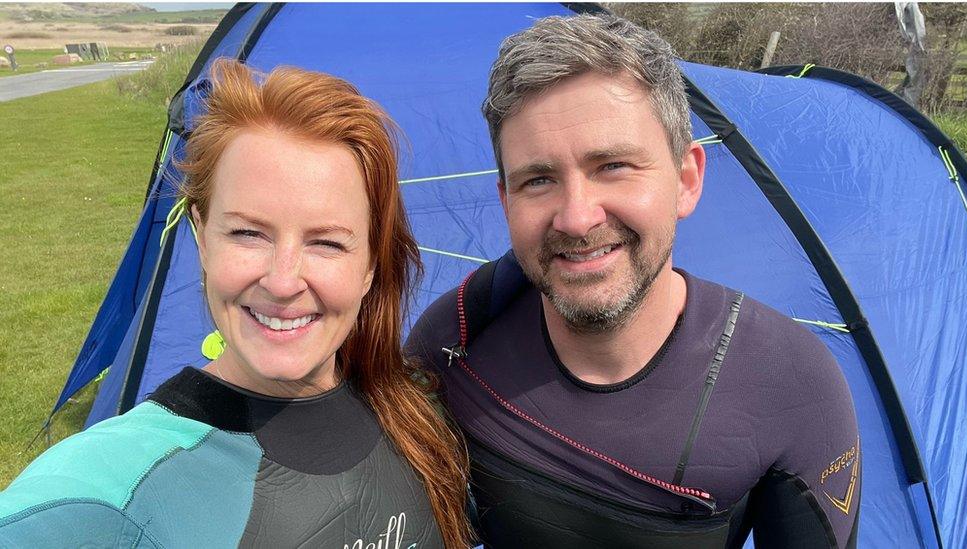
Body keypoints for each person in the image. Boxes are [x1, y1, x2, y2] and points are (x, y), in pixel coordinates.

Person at [406, 14, 860, 548]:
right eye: (539, 179)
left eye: (614, 165)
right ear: (506, 202)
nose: (577, 217)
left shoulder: (792, 382)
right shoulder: (454, 337)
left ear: (687, 180)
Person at [0, 59, 471, 549]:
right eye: (248, 233)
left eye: (327, 243)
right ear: (202, 237)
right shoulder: (115, 491)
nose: (284, 281)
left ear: (370, 264)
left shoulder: (414, 411)